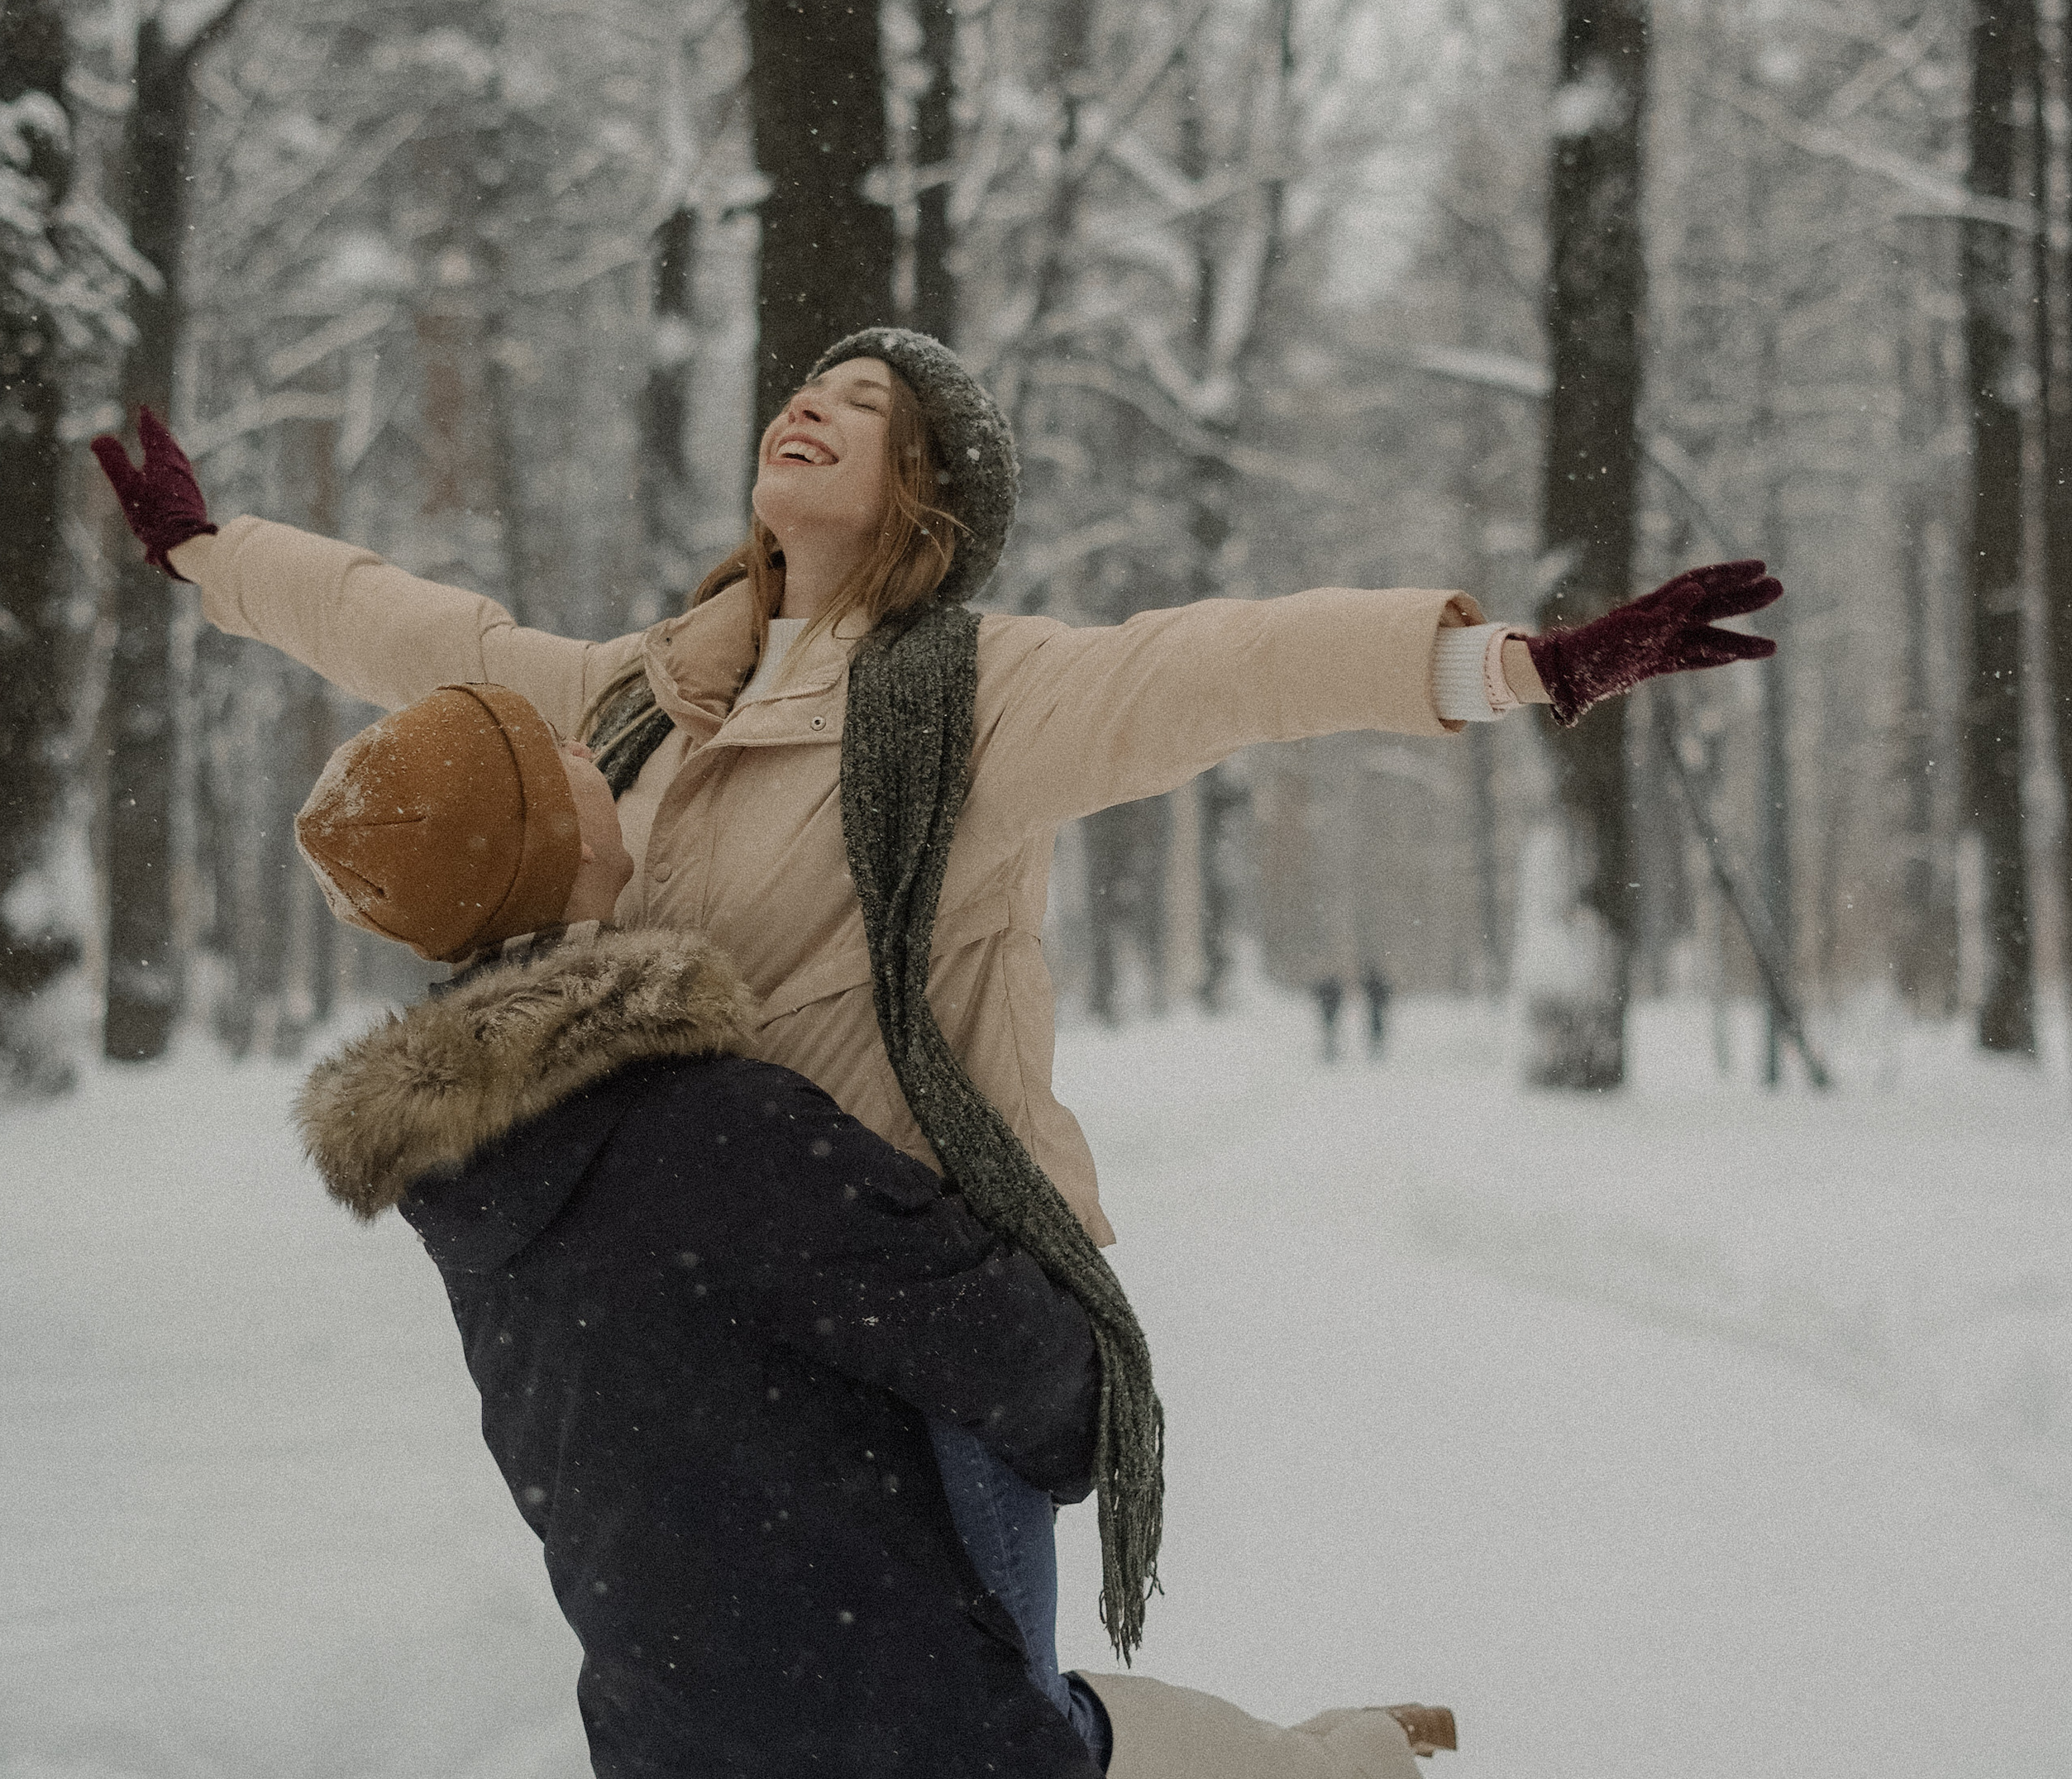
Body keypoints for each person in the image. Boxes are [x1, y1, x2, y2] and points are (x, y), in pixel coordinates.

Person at [96, 331, 1774, 1758]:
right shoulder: (630, 695)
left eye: (868, 408)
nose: (812, 406)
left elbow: (1211, 670)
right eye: (808, 385)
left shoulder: (970, 698)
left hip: (919, 1319)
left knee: (977, 1734)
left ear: (925, 496)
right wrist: (208, 552)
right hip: (731, 1335)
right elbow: (413, 630)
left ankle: (1310, 1763)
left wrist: (1506, 664)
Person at [288, 683, 1452, 1777]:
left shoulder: (478, 1165)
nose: (592, 747)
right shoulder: (706, 1128)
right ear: (542, 836)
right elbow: (996, 1341)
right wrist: (1087, 1397)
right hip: (887, 1715)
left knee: (1070, 1735)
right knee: (1053, 1733)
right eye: (556, 751)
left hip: (678, 1722)